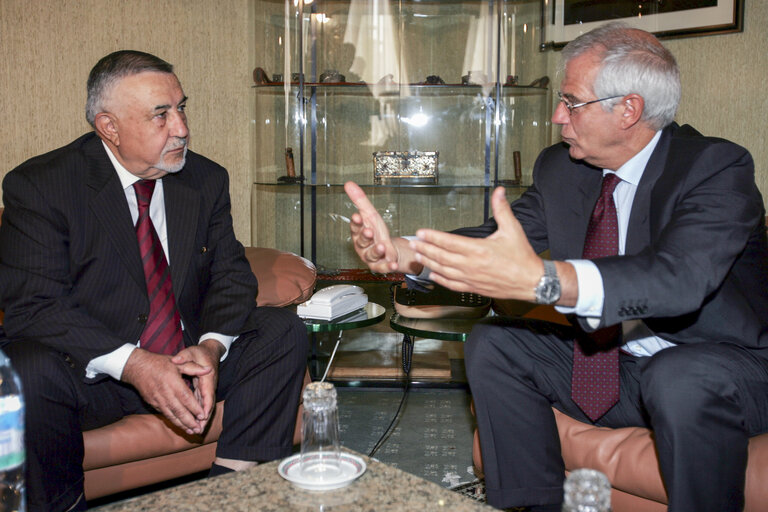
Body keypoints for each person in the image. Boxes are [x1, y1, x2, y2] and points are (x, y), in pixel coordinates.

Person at [344, 22, 768, 512]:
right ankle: (533, 504)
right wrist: (402, 253)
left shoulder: (715, 168)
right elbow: (496, 242)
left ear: (628, 109)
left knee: (676, 375)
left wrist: (545, 281)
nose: (557, 115)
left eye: (572, 101)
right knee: (495, 342)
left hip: (729, 370)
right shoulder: (562, 168)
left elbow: (680, 279)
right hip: (629, 366)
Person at [0, 50, 308, 511]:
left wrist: (209, 348)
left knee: (281, 332)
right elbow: (36, 305)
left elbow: (231, 277)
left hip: (185, 362)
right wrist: (136, 364)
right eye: (160, 115)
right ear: (109, 126)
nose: (181, 127)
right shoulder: (41, 185)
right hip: (94, 377)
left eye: (181, 107)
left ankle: (237, 494)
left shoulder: (204, 179)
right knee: (25, 368)